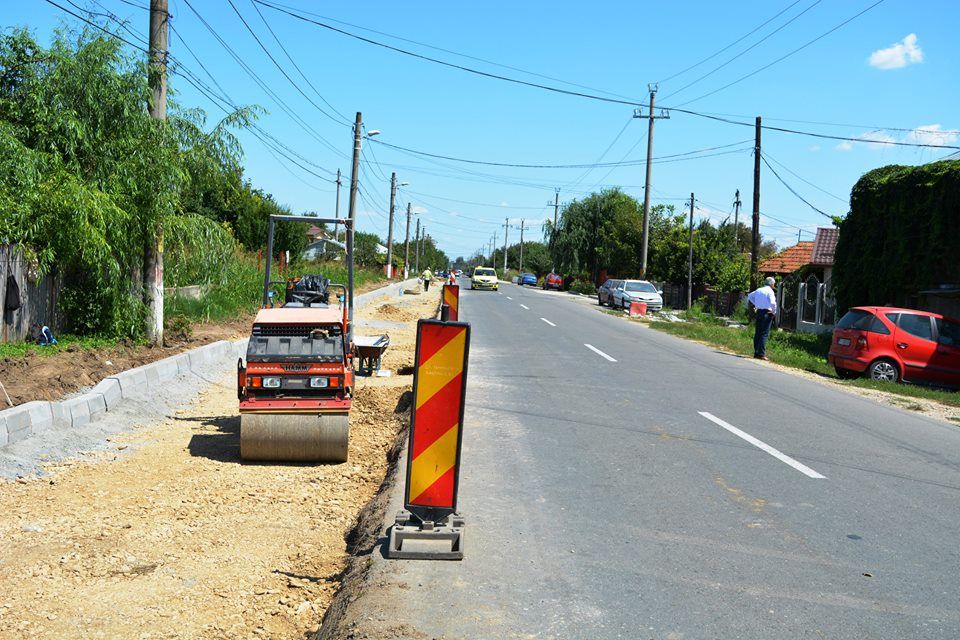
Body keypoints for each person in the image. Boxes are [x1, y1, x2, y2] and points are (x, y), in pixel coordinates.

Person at [747, 276, 778, 360]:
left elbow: (749, 296)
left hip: (759, 312)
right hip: (767, 313)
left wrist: (756, 303)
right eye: (774, 284)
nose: (774, 285)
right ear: (771, 284)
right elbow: (773, 303)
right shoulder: (770, 291)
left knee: (758, 332)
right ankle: (761, 354)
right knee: (764, 333)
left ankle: (756, 352)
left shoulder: (759, 290)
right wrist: (774, 312)